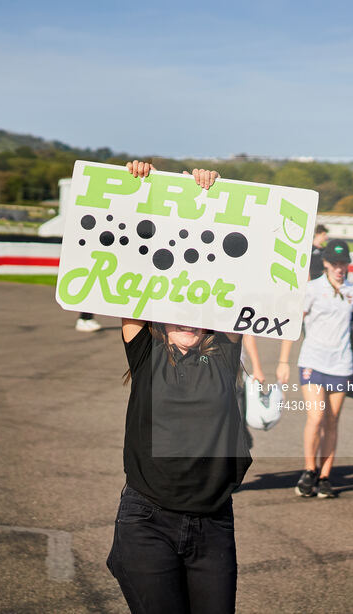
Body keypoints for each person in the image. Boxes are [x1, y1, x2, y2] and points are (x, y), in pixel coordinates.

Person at [105, 161, 252, 614]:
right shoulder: (145, 352)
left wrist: (208, 200)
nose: (186, 314)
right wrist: (146, 188)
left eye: (197, 307)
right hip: (147, 520)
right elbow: (134, 264)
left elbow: (237, 272)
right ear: (157, 317)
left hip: (213, 525)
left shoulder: (224, 355)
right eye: (174, 306)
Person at [277, 238, 353, 498]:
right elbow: (292, 326)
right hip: (313, 361)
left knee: (332, 420)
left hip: (341, 363)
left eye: (344, 263)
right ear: (325, 263)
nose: (340, 268)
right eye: (335, 263)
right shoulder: (311, 289)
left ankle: (325, 475)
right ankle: (309, 470)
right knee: (315, 418)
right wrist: (283, 361)